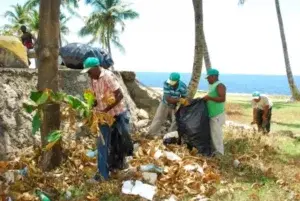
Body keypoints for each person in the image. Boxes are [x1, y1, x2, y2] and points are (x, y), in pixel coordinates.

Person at [81, 57, 132, 181]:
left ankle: (118, 165)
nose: (88, 74)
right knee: (102, 144)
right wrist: (89, 106)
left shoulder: (108, 76)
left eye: (89, 71)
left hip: (117, 114)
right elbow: (94, 97)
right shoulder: (93, 79)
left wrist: (106, 110)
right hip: (102, 117)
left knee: (120, 141)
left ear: (96, 68)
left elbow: (119, 95)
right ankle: (103, 174)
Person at [202, 68, 226, 155]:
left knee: (217, 135)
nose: (207, 79)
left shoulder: (220, 85)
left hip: (217, 115)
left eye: (208, 77)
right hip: (212, 114)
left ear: (214, 76)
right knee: (213, 135)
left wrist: (209, 98)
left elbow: (222, 98)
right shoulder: (213, 85)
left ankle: (219, 154)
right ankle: (214, 152)